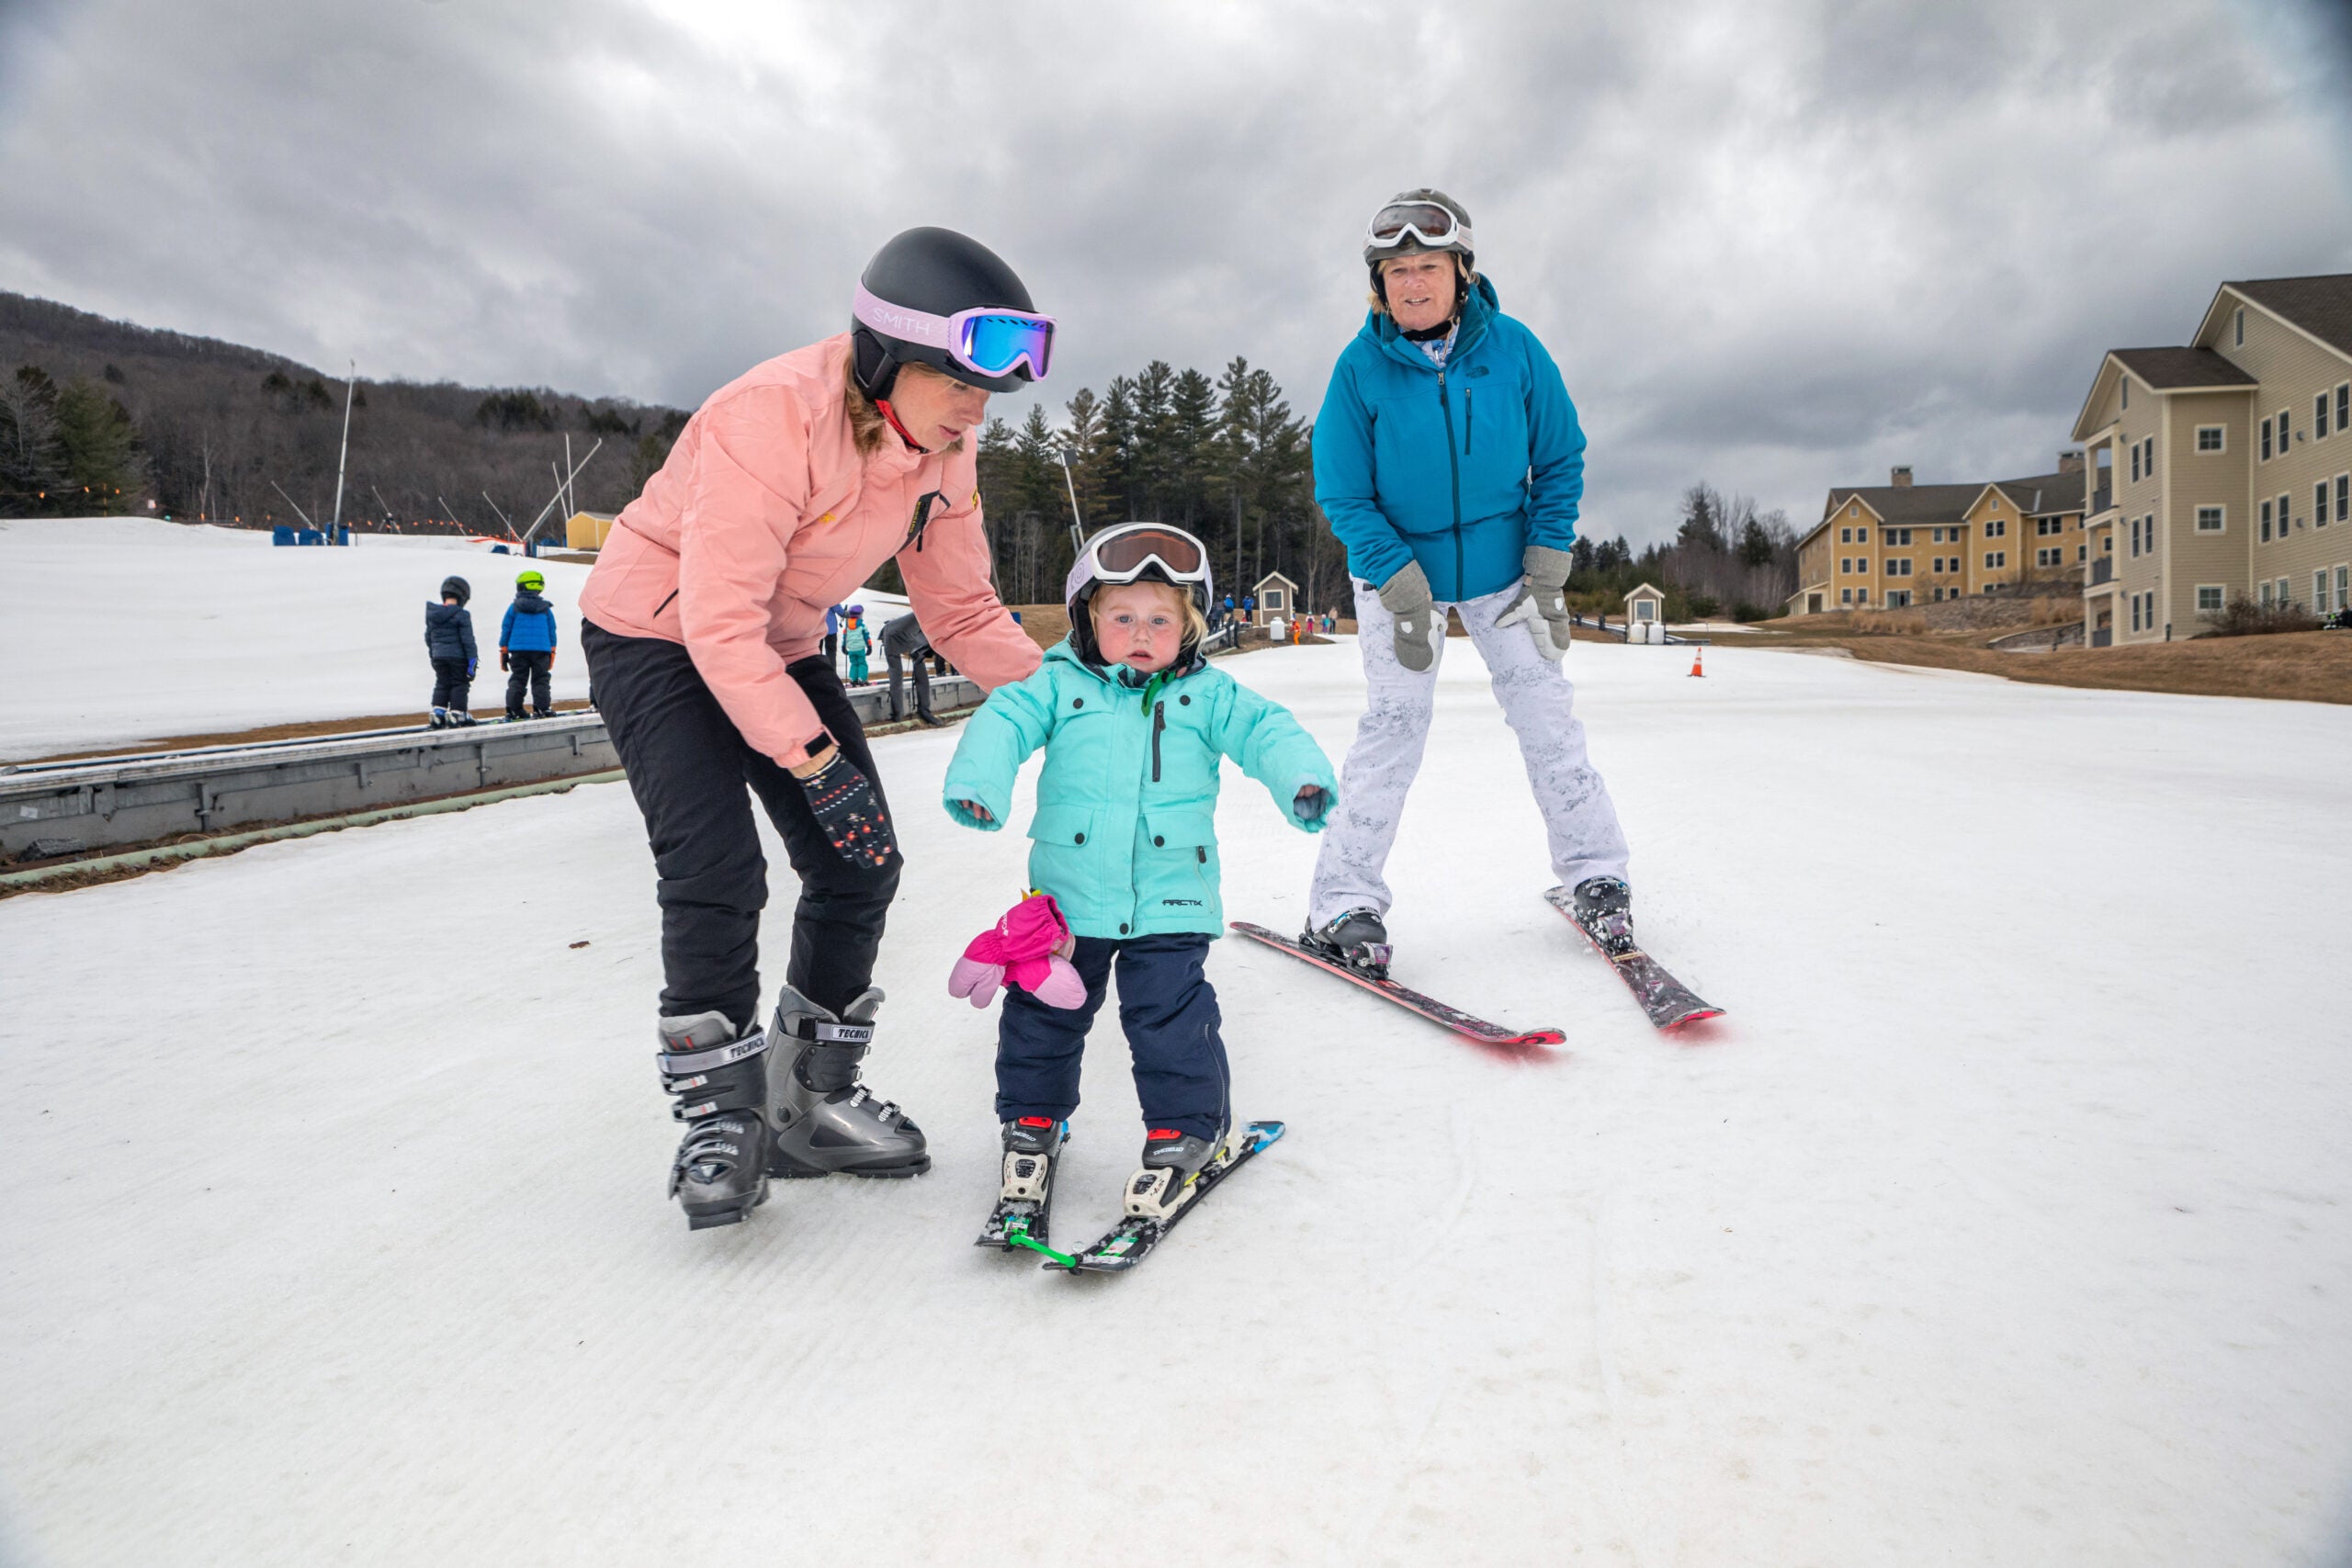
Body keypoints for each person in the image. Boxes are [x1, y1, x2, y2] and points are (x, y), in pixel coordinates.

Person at [576, 225, 1055, 1230]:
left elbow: (960, 613)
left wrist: (1070, 694)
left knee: (858, 860)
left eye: (990, 394)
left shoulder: (945, 452)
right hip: (657, 633)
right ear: (886, 360)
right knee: (715, 871)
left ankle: (810, 1103)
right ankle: (720, 1120)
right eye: (960, 385)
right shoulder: (771, 417)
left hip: (777, 639)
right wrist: (814, 757)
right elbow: (714, 624)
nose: (977, 412)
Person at [942, 525, 1336, 1237]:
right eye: (1122, 617)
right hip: (1066, 904)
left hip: (1171, 897)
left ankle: (1186, 1131)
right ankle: (1032, 1124)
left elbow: (1267, 729)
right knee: (1041, 1017)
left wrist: (1300, 776)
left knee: (1168, 1019)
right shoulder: (1056, 683)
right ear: (1088, 618)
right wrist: (980, 782)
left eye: (1161, 619)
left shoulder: (1208, 694)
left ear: (1189, 627)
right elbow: (1004, 719)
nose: (1141, 633)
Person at [1303, 188, 1634, 975]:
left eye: (1427, 266)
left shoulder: (1515, 349)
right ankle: (1342, 900)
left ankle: (1597, 874)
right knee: (1393, 727)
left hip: (1502, 572)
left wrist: (1547, 563)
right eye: (1396, 271)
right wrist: (1396, 577)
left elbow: (1559, 457)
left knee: (1548, 717)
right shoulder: (1358, 371)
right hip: (1398, 577)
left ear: (1462, 272)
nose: (1412, 284)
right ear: (1377, 284)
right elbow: (1343, 491)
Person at [500, 569, 559, 721]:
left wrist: (503, 649)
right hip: (541, 650)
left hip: (518, 650)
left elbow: (506, 628)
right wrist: (552, 649)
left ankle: (514, 709)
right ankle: (542, 708)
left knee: (518, 679)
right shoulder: (546, 609)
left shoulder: (514, 608)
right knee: (541, 679)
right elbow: (552, 630)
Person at [424, 574, 478, 728]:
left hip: (438, 655)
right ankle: (457, 712)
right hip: (458, 656)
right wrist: (472, 661)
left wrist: (433, 654)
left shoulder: (433, 614)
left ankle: (438, 711)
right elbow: (468, 640)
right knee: (459, 683)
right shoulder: (462, 615)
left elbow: (428, 637)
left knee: (442, 683)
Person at [882, 607, 941, 725]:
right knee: (896, 675)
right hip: (891, 636)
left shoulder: (932, 621)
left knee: (921, 671)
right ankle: (898, 714)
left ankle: (924, 710)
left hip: (912, 637)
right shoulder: (926, 612)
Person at [842, 608, 872, 685]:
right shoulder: (862, 626)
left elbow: (844, 637)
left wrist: (843, 646)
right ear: (859, 615)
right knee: (862, 663)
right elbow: (867, 637)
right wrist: (869, 647)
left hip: (851, 649)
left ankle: (853, 679)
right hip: (860, 649)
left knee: (854, 663)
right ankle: (862, 679)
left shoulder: (847, 626)